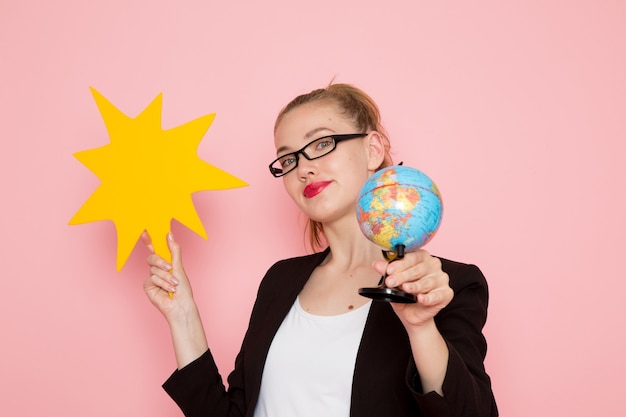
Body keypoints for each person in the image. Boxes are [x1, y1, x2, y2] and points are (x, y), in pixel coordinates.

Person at [143, 83, 498, 417]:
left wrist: (421, 328)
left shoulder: (448, 285)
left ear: (372, 149)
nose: (304, 169)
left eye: (322, 144)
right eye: (288, 160)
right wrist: (182, 314)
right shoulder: (280, 281)